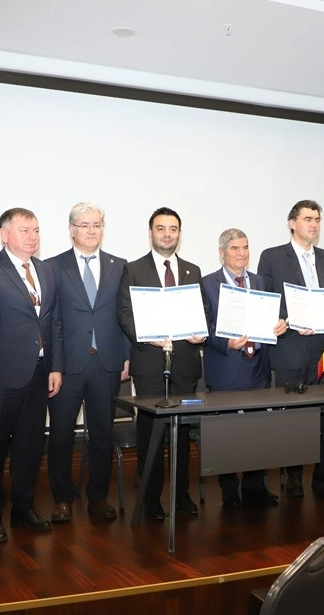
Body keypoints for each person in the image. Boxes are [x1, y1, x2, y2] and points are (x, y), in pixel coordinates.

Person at [0, 207, 63, 543]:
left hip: (39, 374)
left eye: (36, 230)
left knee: (30, 446)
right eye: (24, 230)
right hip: (0, 378)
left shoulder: (46, 270)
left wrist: (55, 366)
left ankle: (23, 509)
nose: (32, 237)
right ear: (4, 234)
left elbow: (54, 323)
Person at [257, 200, 324, 496]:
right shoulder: (272, 256)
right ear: (292, 223)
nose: (314, 224)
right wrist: (289, 320)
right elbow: (266, 299)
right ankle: (294, 476)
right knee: (292, 415)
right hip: (290, 346)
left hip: (322, 347)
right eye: (308, 219)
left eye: (317, 220)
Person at [116, 207, 204, 521]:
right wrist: (146, 335)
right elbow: (124, 312)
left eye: (173, 229)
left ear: (180, 233)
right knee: (149, 432)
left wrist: (201, 333)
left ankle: (181, 494)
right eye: (161, 228)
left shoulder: (193, 270)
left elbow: (203, 311)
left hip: (185, 363)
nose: (167, 234)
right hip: (149, 362)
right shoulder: (133, 270)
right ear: (150, 232)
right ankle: (150, 497)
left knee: (180, 433)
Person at [46, 202, 130, 524]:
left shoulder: (119, 266)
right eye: (85, 225)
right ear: (72, 230)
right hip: (67, 366)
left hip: (106, 363)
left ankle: (98, 497)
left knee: (102, 434)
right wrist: (54, 364)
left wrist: (126, 355)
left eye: (97, 225)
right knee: (61, 435)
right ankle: (63, 499)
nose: (92, 230)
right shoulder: (53, 267)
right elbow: (51, 320)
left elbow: (125, 313)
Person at [201, 228, 286, 507]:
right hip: (226, 367)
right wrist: (226, 342)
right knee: (227, 432)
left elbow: (272, 317)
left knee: (258, 430)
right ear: (222, 252)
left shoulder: (260, 281)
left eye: (245, 247)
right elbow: (204, 327)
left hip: (258, 366)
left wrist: (279, 325)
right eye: (235, 248)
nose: (241, 253)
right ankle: (228, 491)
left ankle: (255, 487)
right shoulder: (208, 283)